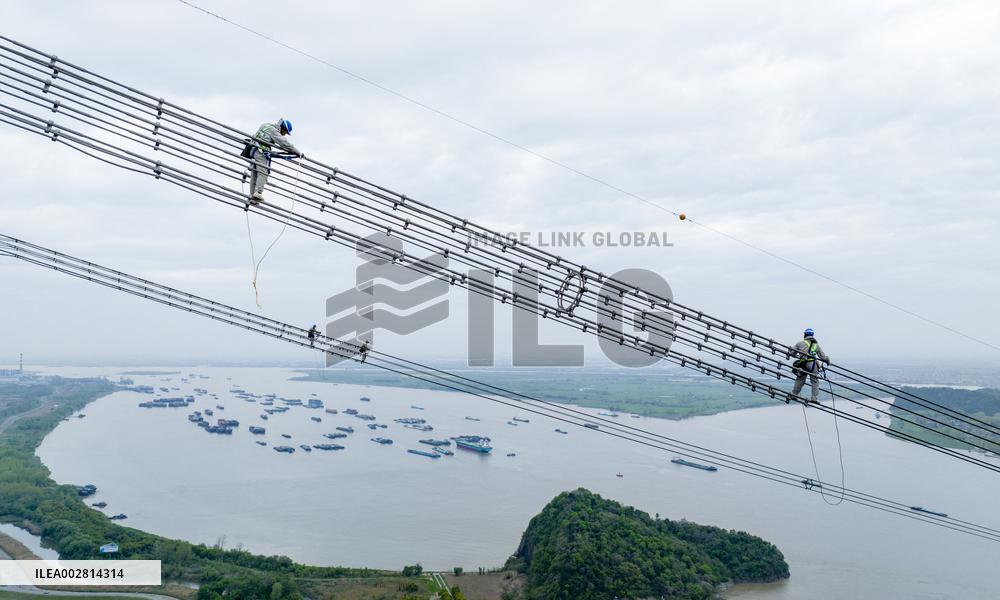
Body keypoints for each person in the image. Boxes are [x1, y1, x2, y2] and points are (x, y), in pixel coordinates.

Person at [247, 118, 301, 204]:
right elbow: (284, 143)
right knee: (263, 173)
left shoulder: (266, 125)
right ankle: (257, 193)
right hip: (260, 152)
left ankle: (252, 196)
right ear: (282, 128)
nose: (284, 135)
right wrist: (297, 152)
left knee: (255, 173)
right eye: (284, 132)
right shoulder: (274, 131)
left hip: (253, 151)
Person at [788, 327, 830, 404]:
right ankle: (814, 398)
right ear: (812, 335)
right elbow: (823, 357)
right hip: (813, 365)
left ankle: (794, 395)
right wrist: (828, 360)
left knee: (800, 380)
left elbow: (791, 353)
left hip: (803, 364)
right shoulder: (816, 346)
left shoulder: (799, 343)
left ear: (805, 335)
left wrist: (791, 351)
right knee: (815, 381)